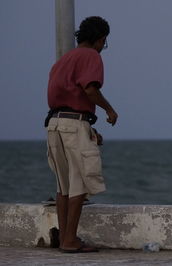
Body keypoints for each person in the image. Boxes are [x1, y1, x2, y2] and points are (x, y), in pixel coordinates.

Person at [45, 16, 118, 253]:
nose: (102, 47)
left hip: (55, 124)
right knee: (79, 183)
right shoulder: (91, 56)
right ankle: (69, 240)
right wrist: (109, 109)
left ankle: (65, 237)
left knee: (63, 186)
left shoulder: (63, 60)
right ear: (100, 39)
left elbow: (67, 99)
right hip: (73, 125)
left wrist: (89, 127)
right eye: (103, 42)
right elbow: (90, 89)